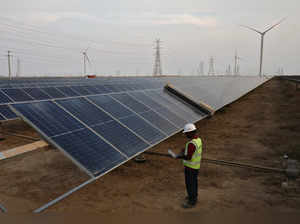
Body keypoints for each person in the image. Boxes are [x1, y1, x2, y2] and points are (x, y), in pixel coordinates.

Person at [176, 123, 202, 208]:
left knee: (190, 184)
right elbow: (192, 151)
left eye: (186, 133)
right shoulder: (198, 140)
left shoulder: (191, 143)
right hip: (195, 167)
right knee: (194, 183)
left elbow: (188, 157)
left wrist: (179, 156)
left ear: (191, 133)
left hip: (190, 168)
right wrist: (184, 150)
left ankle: (192, 201)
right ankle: (193, 196)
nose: (185, 135)